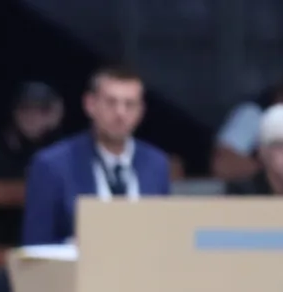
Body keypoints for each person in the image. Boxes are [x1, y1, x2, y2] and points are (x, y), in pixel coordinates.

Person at [20, 63, 173, 247]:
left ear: (141, 110)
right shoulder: (51, 165)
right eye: (111, 102)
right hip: (76, 272)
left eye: (130, 104)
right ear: (90, 104)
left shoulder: (157, 163)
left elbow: (165, 238)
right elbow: (35, 248)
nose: (120, 113)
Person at [0, 81, 66, 180]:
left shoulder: (54, 146)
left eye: (43, 111)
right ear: (14, 112)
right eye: (25, 108)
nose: (33, 117)